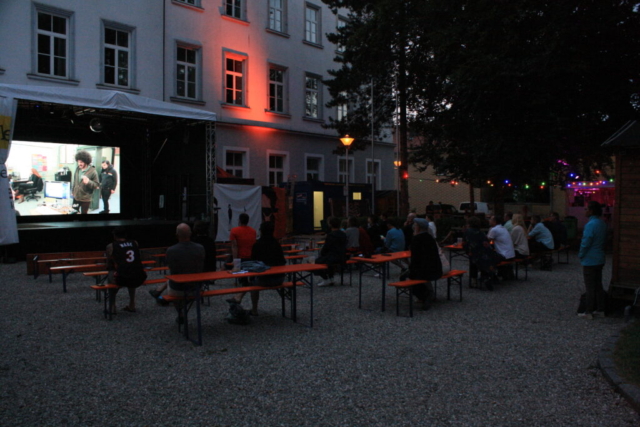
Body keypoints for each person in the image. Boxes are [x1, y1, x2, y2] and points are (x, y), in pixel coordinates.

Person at [228, 221, 286, 315]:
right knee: (253, 281)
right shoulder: (277, 244)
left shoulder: (258, 245)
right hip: (279, 278)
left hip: (264, 279)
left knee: (253, 283)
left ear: (261, 231)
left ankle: (253, 308)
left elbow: (253, 264)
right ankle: (238, 297)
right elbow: (283, 261)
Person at [161, 223, 205, 323]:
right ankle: (182, 309)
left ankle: (180, 312)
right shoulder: (200, 248)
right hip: (197, 287)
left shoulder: (171, 250)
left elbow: (171, 267)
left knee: (170, 282)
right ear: (190, 234)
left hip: (179, 288)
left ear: (177, 235)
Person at [402, 218, 442, 310]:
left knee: (404, 276)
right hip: (436, 268)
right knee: (416, 275)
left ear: (418, 228)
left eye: (415, 226)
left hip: (424, 270)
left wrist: (411, 271)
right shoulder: (430, 238)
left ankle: (424, 296)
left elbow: (416, 259)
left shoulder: (417, 239)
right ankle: (429, 293)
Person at [106, 227, 147, 313]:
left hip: (122, 278)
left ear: (114, 236)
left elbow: (109, 263)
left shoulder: (111, 246)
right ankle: (132, 304)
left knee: (112, 275)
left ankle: (112, 306)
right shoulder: (135, 243)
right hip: (138, 277)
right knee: (131, 272)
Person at [578, 201, 607, 319]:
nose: (585, 211)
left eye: (586, 209)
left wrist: (581, 254)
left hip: (590, 259)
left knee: (589, 286)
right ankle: (600, 309)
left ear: (591, 211)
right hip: (600, 257)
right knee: (598, 285)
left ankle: (588, 311)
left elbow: (586, 242)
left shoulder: (590, 225)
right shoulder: (602, 224)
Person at [463, 216, 500, 290]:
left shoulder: (467, 232)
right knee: (483, 261)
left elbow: (465, 244)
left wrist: (467, 251)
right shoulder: (481, 232)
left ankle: (474, 281)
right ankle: (486, 276)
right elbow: (487, 243)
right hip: (486, 254)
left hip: (475, 254)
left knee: (473, 262)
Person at [315, 217, 347, 287]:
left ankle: (326, 278)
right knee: (327, 260)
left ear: (330, 225)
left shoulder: (331, 235)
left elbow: (326, 248)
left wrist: (322, 254)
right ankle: (331, 277)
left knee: (316, 262)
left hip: (332, 256)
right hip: (342, 256)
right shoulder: (343, 234)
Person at [487, 215, 516, 280]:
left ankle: (492, 276)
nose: (489, 221)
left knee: (487, 259)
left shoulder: (494, 230)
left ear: (494, 222)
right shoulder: (503, 228)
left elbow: (487, 241)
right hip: (511, 254)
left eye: (490, 219)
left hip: (504, 255)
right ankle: (502, 273)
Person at [72, 150, 100, 214]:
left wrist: (88, 182)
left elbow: (96, 185)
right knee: (73, 212)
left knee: (84, 214)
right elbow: (75, 181)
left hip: (85, 198)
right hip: (76, 197)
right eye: (78, 162)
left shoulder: (93, 171)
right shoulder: (77, 169)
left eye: (81, 162)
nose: (79, 164)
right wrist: (73, 191)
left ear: (86, 161)